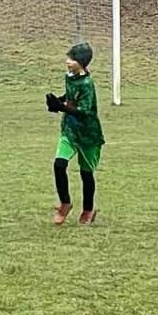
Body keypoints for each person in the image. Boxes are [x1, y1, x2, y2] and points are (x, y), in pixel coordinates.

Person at [44, 42, 105, 225]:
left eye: (72, 59)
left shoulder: (87, 83)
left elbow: (84, 110)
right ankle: (65, 203)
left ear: (82, 62)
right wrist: (59, 101)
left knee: (86, 174)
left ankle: (88, 210)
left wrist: (62, 107)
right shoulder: (69, 76)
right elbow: (72, 97)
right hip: (70, 130)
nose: (67, 61)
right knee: (59, 164)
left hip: (88, 134)